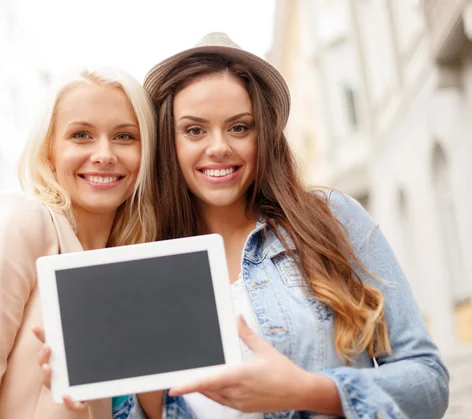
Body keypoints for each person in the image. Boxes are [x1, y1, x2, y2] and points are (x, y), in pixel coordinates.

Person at [37, 33, 450, 419]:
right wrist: (100, 381)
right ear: (169, 140)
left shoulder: (330, 218)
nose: (218, 147)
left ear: (263, 134)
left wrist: (307, 390)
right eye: (194, 129)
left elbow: (428, 381)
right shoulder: (144, 260)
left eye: (239, 127)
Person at [0, 66, 157, 419]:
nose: (104, 154)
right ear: (49, 152)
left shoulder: (125, 270)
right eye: (81, 135)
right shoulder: (19, 222)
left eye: (124, 137)